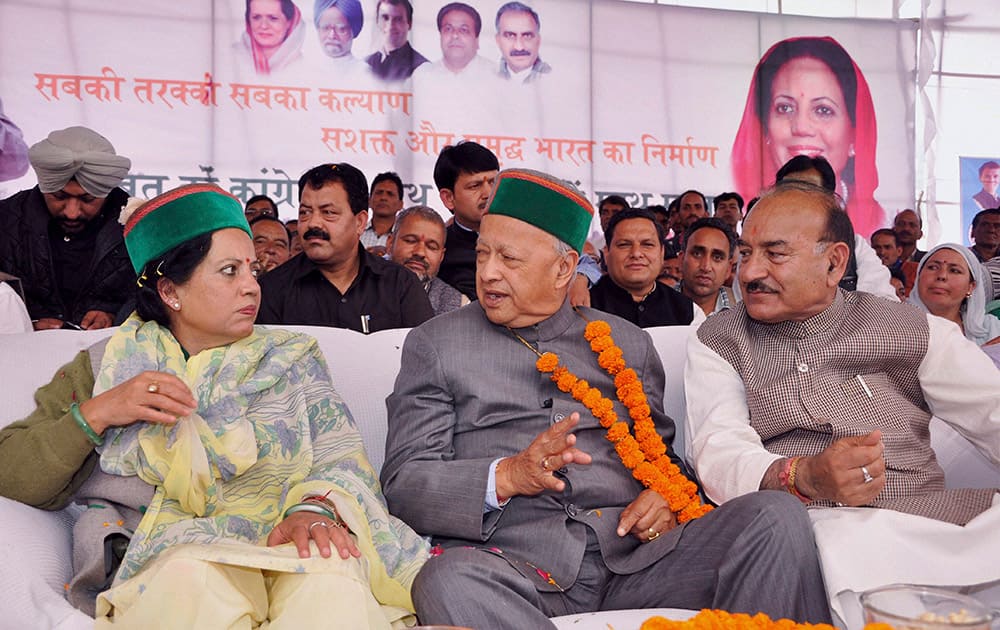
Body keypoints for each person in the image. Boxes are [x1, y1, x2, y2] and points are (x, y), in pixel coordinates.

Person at [381, 168, 832, 630]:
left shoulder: (627, 343)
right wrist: (510, 475)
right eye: (482, 255)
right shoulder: (436, 345)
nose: (489, 272)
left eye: (509, 259)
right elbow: (404, 484)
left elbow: (667, 463)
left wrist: (665, 497)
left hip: (636, 562)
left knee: (775, 516)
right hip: (514, 568)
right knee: (445, 580)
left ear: (563, 269)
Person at [0, 183, 428, 626]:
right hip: (172, 556)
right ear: (170, 292)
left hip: (285, 540)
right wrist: (101, 412)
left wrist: (313, 508)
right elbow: (11, 469)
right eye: (229, 271)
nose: (251, 287)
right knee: (192, 582)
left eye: (252, 271)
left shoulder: (290, 359)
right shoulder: (108, 368)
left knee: (330, 580)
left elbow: (341, 458)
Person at [686, 180, 1000, 525]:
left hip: (931, 524)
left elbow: (992, 412)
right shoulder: (719, 340)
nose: (749, 272)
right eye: (745, 253)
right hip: (808, 532)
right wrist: (801, 476)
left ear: (834, 264)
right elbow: (718, 450)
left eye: (774, 254)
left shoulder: (912, 329)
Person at [732, 36, 885, 238]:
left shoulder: (876, 226)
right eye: (784, 108)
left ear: (854, 135)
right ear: (766, 129)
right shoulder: (753, 218)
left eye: (823, 110)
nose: (801, 127)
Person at [257, 163, 434, 333]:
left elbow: (425, 357)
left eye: (328, 212)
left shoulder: (400, 285)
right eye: (305, 212)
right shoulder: (272, 289)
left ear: (360, 222)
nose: (313, 223)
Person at [0, 126, 133, 330]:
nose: (72, 212)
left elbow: (162, 299)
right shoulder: (6, 221)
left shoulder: (140, 227)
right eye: (59, 197)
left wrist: (117, 316)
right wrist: (26, 324)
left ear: (106, 191)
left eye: (87, 199)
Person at [775, 155, 894, 299]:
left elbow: (882, 302)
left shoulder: (853, 245)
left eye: (808, 192)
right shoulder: (759, 246)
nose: (796, 200)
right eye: (788, 192)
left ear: (829, 200)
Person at [591, 208, 697, 327]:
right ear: (606, 253)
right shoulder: (583, 304)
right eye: (624, 245)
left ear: (662, 253)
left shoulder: (688, 311)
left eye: (647, 245)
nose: (636, 253)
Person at [908, 243, 1000, 349]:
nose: (942, 276)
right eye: (933, 267)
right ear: (918, 277)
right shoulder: (897, 324)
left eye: (954, 271)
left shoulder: (991, 329)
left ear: (971, 287)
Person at [386, 205, 468, 315]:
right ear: (390, 243)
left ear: (441, 256)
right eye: (411, 241)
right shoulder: (362, 286)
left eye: (431, 247)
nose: (420, 252)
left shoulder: (460, 307)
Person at [679, 217, 737, 317]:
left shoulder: (745, 317)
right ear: (681, 260)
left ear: (728, 269)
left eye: (717, 257)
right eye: (697, 254)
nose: (706, 267)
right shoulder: (654, 308)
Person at [418, 3, 494, 78]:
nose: (455, 35)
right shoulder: (422, 76)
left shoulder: (496, 77)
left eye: (464, 30)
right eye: (448, 29)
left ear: (477, 40)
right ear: (440, 36)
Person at [236, 0, 305, 75]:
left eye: (273, 18)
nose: (263, 26)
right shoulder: (230, 56)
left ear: (289, 22)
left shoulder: (303, 66)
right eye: (256, 17)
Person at [365, 0, 428, 81]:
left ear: (410, 24)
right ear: (377, 21)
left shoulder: (423, 69)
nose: (391, 26)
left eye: (398, 19)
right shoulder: (365, 65)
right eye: (385, 18)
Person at [313, 0, 370, 80]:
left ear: (353, 31)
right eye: (326, 28)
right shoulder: (307, 71)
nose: (332, 35)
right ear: (318, 29)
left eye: (341, 29)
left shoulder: (366, 74)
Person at [495, 2, 550, 83]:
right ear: (498, 40)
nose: (519, 47)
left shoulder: (557, 81)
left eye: (527, 36)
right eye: (510, 35)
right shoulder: (484, 82)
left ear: (538, 40)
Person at [362, 171, 404, 252]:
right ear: (369, 200)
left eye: (390, 194)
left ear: (400, 205)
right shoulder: (356, 233)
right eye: (379, 193)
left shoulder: (403, 238)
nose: (383, 198)